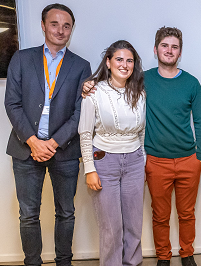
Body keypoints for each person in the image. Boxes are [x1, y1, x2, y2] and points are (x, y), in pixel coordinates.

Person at [83, 26, 201, 266]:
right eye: (165, 45)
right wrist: (88, 86)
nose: (169, 50)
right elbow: (112, 87)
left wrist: (199, 155)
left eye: (174, 47)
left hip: (187, 160)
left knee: (186, 213)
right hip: (154, 160)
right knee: (159, 215)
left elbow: (200, 120)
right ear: (155, 49)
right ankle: (163, 256)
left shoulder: (192, 83)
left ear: (180, 52)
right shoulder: (141, 80)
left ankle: (187, 253)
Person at [3, 3, 91, 266]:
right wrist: (33, 141)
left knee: (66, 213)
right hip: (25, 148)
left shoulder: (81, 66)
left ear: (72, 30)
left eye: (66, 26)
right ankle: (33, 263)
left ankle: (64, 262)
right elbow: (12, 103)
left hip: (64, 150)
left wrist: (51, 143)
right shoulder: (21, 58)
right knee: (28, 214)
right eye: (54, 24)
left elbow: (80, 111)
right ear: (43, 26)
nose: (60, 30)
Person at [78, 40, 145, 266]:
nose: (124, 65)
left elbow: (142, 132)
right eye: (119, 59)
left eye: (129, 60)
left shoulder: (140, 93)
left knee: (134, 224)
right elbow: (85, 133)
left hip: (135, 162)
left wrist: (142, 160)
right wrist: (89, 169)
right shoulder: (94, 92)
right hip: (104, 162)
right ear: (108, 62)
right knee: (111, 227)